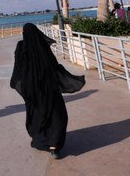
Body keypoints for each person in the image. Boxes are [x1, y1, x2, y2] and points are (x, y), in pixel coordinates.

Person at [9, 23, 85, 159]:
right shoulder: (42, 46)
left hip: (32, 90)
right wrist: (68, 78)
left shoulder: (21, 47)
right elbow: (54, 66)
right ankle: (54, 146)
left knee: (37, 116)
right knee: (56, 115)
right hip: (49, 88)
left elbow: (18, 69)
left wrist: (22, 87)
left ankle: (42, 141)